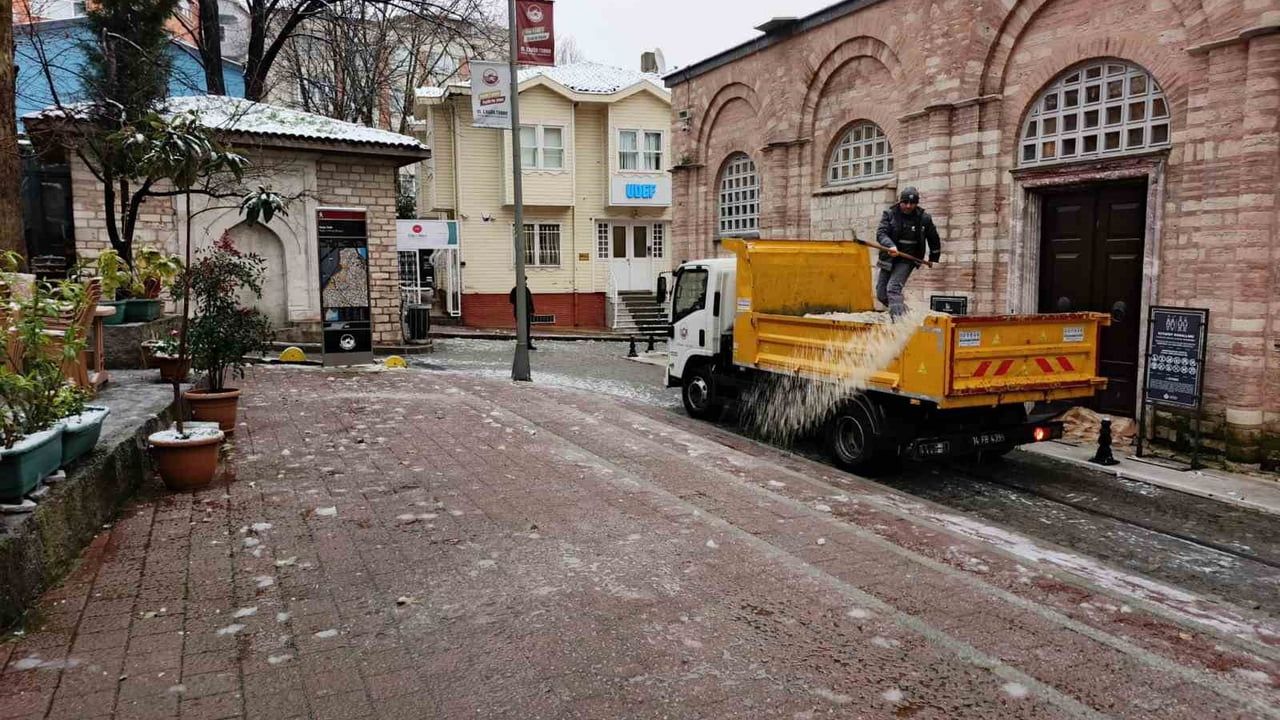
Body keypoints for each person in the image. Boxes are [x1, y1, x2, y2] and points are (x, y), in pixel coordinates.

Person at [875, 186, 942, 317]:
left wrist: (934, 257)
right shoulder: (889, 214)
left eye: (912, 203)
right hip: (888, 257)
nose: (908, 206)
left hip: (908, 259)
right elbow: (881, 233)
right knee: (881, 294)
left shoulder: (924, 218)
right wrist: (890, 246)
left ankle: (899, 323)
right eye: (905, 202)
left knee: (893, 289)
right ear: (900, 202)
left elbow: (933, 238)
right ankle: (907, 316)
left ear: (916, 204)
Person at [508, 284, 536, 350]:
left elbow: (530, 300)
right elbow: (511, 300)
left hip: (526, 312)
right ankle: (521, 343)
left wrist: (532, 310)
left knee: (527, 328)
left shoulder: (526, 289)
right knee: (521, 328)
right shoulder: (515, 289)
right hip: (519, 312)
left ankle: (528, 344)